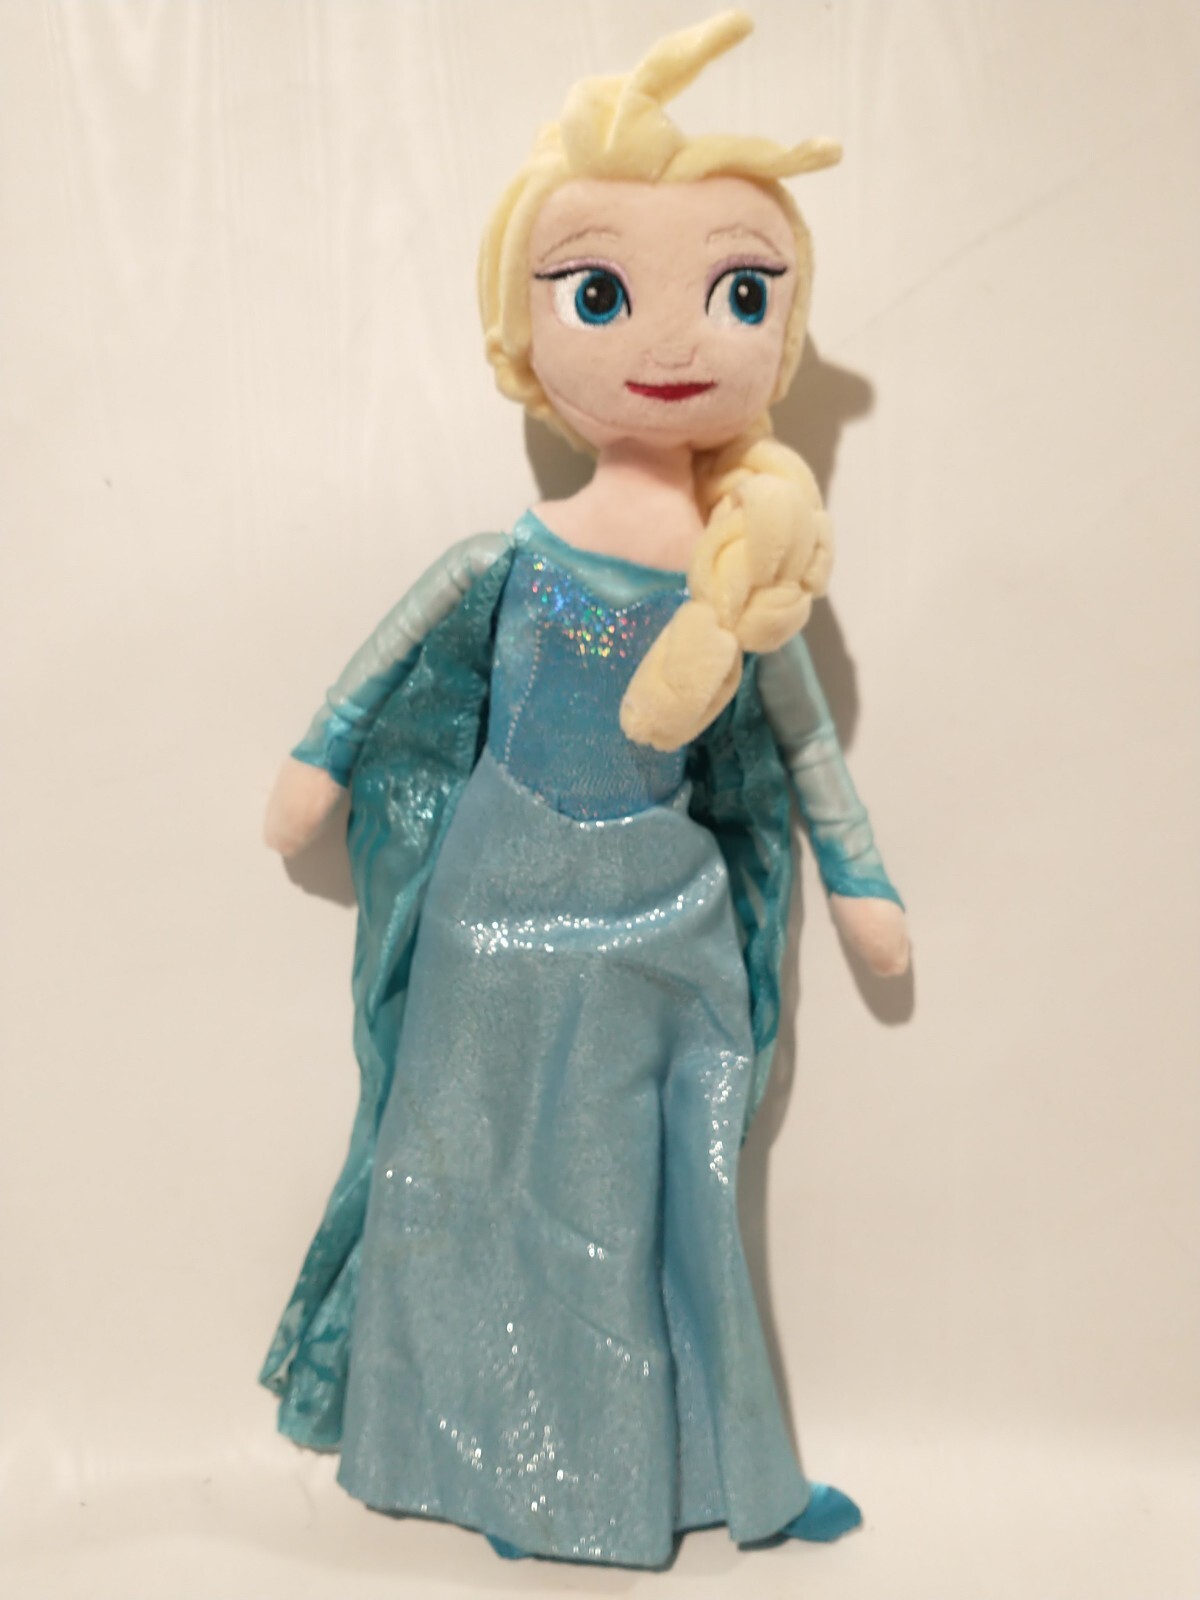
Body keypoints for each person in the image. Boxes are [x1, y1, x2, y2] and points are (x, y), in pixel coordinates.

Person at [260, 11, 909, 1568]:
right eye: (602, 294)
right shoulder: (508, 561)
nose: (672, 343)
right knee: (464, 1177)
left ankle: (662, 1476)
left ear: (777, 327)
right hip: (493, 908)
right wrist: (315, 764)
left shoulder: (745, 589)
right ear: (530, 330)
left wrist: (862, 881)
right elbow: (373, 675)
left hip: (659, 919)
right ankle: (469, 1460)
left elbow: (806, 749)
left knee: (652, 1194)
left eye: (738, 293)